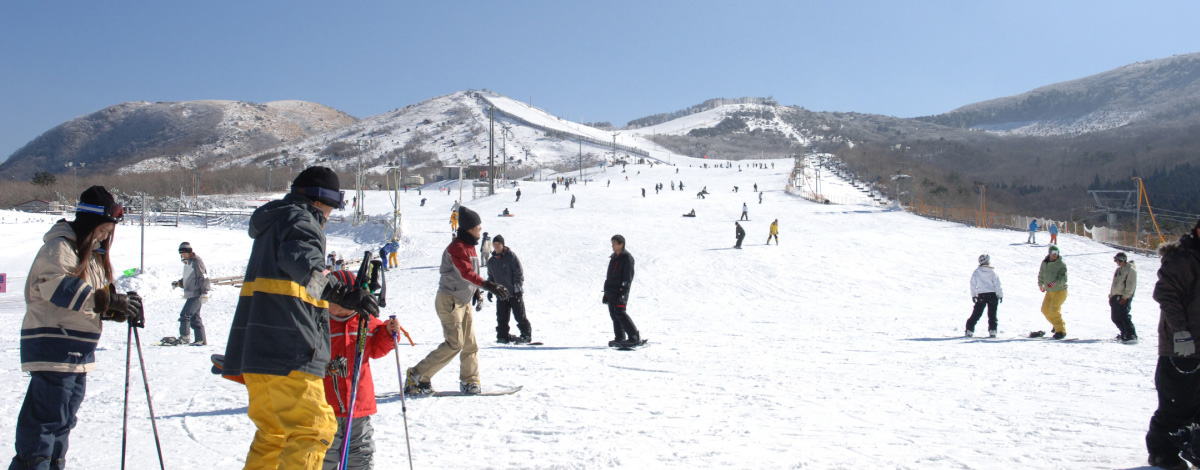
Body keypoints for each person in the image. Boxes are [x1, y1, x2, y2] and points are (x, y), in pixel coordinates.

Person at [222, 166, 379, 470]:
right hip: (289, 348)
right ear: (322, 202)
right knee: (314, 429)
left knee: (274, 434)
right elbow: (305, 266)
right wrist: (342, 294)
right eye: (333, 208)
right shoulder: (301, 219)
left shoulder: (273, 224)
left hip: (258, 351)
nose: (331, 217)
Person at [11, 186, 144, 470]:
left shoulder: (90, 254)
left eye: (109, 232)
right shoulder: (60, 247)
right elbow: (59, 287)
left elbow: (94, 299)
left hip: (77, 351)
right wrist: (106, 300)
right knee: (48, 418)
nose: (106, 236)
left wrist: (118, 307)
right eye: (103, 229)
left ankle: (53, 464)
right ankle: (33, 464)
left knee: (65, 419)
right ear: (90, 222)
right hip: (54, 343)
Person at [404, 206, 508, 396]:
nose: (480, 229)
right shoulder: (457, 247)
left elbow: (471, 274)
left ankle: (470, 380)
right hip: (449, 299)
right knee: (455, 343)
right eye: (477, 226)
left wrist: (477, 292)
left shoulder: (470, 247)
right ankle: (417, 375)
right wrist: (487, 284)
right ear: (468, 227)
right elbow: (465, 273)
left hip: (463, 300)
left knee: (470, 343)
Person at [321, 270, 399, 470]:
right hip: (324, 406)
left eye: (348, 306)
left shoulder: (364, 320)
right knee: (324, 453)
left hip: (358, 405)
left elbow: (375, 349)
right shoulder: (319, 323)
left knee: (360, 452)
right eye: (336, 304)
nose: (342, 310)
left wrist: (388, 333)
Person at [1145, 218, 1200, 470]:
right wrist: (1181, 333)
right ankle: (1162, 453)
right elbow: (1166, 293)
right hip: (1182, 346)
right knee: (1177, 404)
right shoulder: (1183, 259)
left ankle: (1195, 450)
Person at [486, 235, 531, 344]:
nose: (496, 246)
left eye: (498, 244)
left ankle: (526, 335)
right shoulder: (491, 261)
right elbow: (491, 277)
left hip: (514, 293)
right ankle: (502, 336)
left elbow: (518, 273)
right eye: (495, 244)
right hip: (501, 294)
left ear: (503, 245)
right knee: (501, 317)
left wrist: (517, 287)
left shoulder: (511, 256)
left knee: (520, 315)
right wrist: (490, 290)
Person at [603, 235, 639, 347]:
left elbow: (628, 276)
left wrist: (623, 290)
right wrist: (606, 292)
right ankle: (620, 337)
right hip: (611, 290)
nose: (612, 246)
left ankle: (634, 337)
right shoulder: (614, 258)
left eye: (614, 244)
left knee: (620, 313)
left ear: (621, 244)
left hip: (620, 291)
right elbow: (609, 276)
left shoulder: (627, 258)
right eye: (612, 244)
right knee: (614, 314)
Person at [171, 241, 210, 345]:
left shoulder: (196, 261)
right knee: (194, 317)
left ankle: (184, 337)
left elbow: (203, 276)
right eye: (181, 254)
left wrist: (205, 292)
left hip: (197, 293)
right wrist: (178, 283)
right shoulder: (188, 262)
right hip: (191, 293)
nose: (182, 256)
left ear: (189, 252)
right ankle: (201, 340)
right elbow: (189, 278)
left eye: (184, 253)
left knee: (185, 314)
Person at [1035, 245, 1069, 339]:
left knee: (1054, 310)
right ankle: (1056, 324)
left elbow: (1064, 278)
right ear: (1049, 254)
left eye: (1056, 253)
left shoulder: (1061, 264)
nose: (1054, 255)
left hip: (1060, 291)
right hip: (1050, 291)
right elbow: (1041, 274)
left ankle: (1061, 331)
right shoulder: (1044, 263)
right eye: (1053, 253)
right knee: (1045, 310)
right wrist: (1040, 284)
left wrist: (1055, 283)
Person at [966, 254, 1003, 338]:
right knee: (992, 313)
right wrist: (1000, 295)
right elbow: (997, 284)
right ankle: (992, 330)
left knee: (977, 313)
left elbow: (972, 284)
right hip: (992, 295)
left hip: (981, 295)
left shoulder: (976, 272)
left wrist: (973, 295)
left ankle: (969, 329)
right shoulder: (992, 272)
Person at [1110, 252, 1138, 342]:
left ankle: (1131, 335)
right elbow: (1115, 284)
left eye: (1117, 260)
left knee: (1124, 316)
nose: (1116, 262)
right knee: (1115, 317)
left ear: (1122, 259)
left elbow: (1131, 284)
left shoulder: (1130, 270)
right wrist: (1111, 296)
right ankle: (1124, 333)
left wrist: (1125, 297)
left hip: (1123, 297)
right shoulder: (1119, 270)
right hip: (1116, 296)